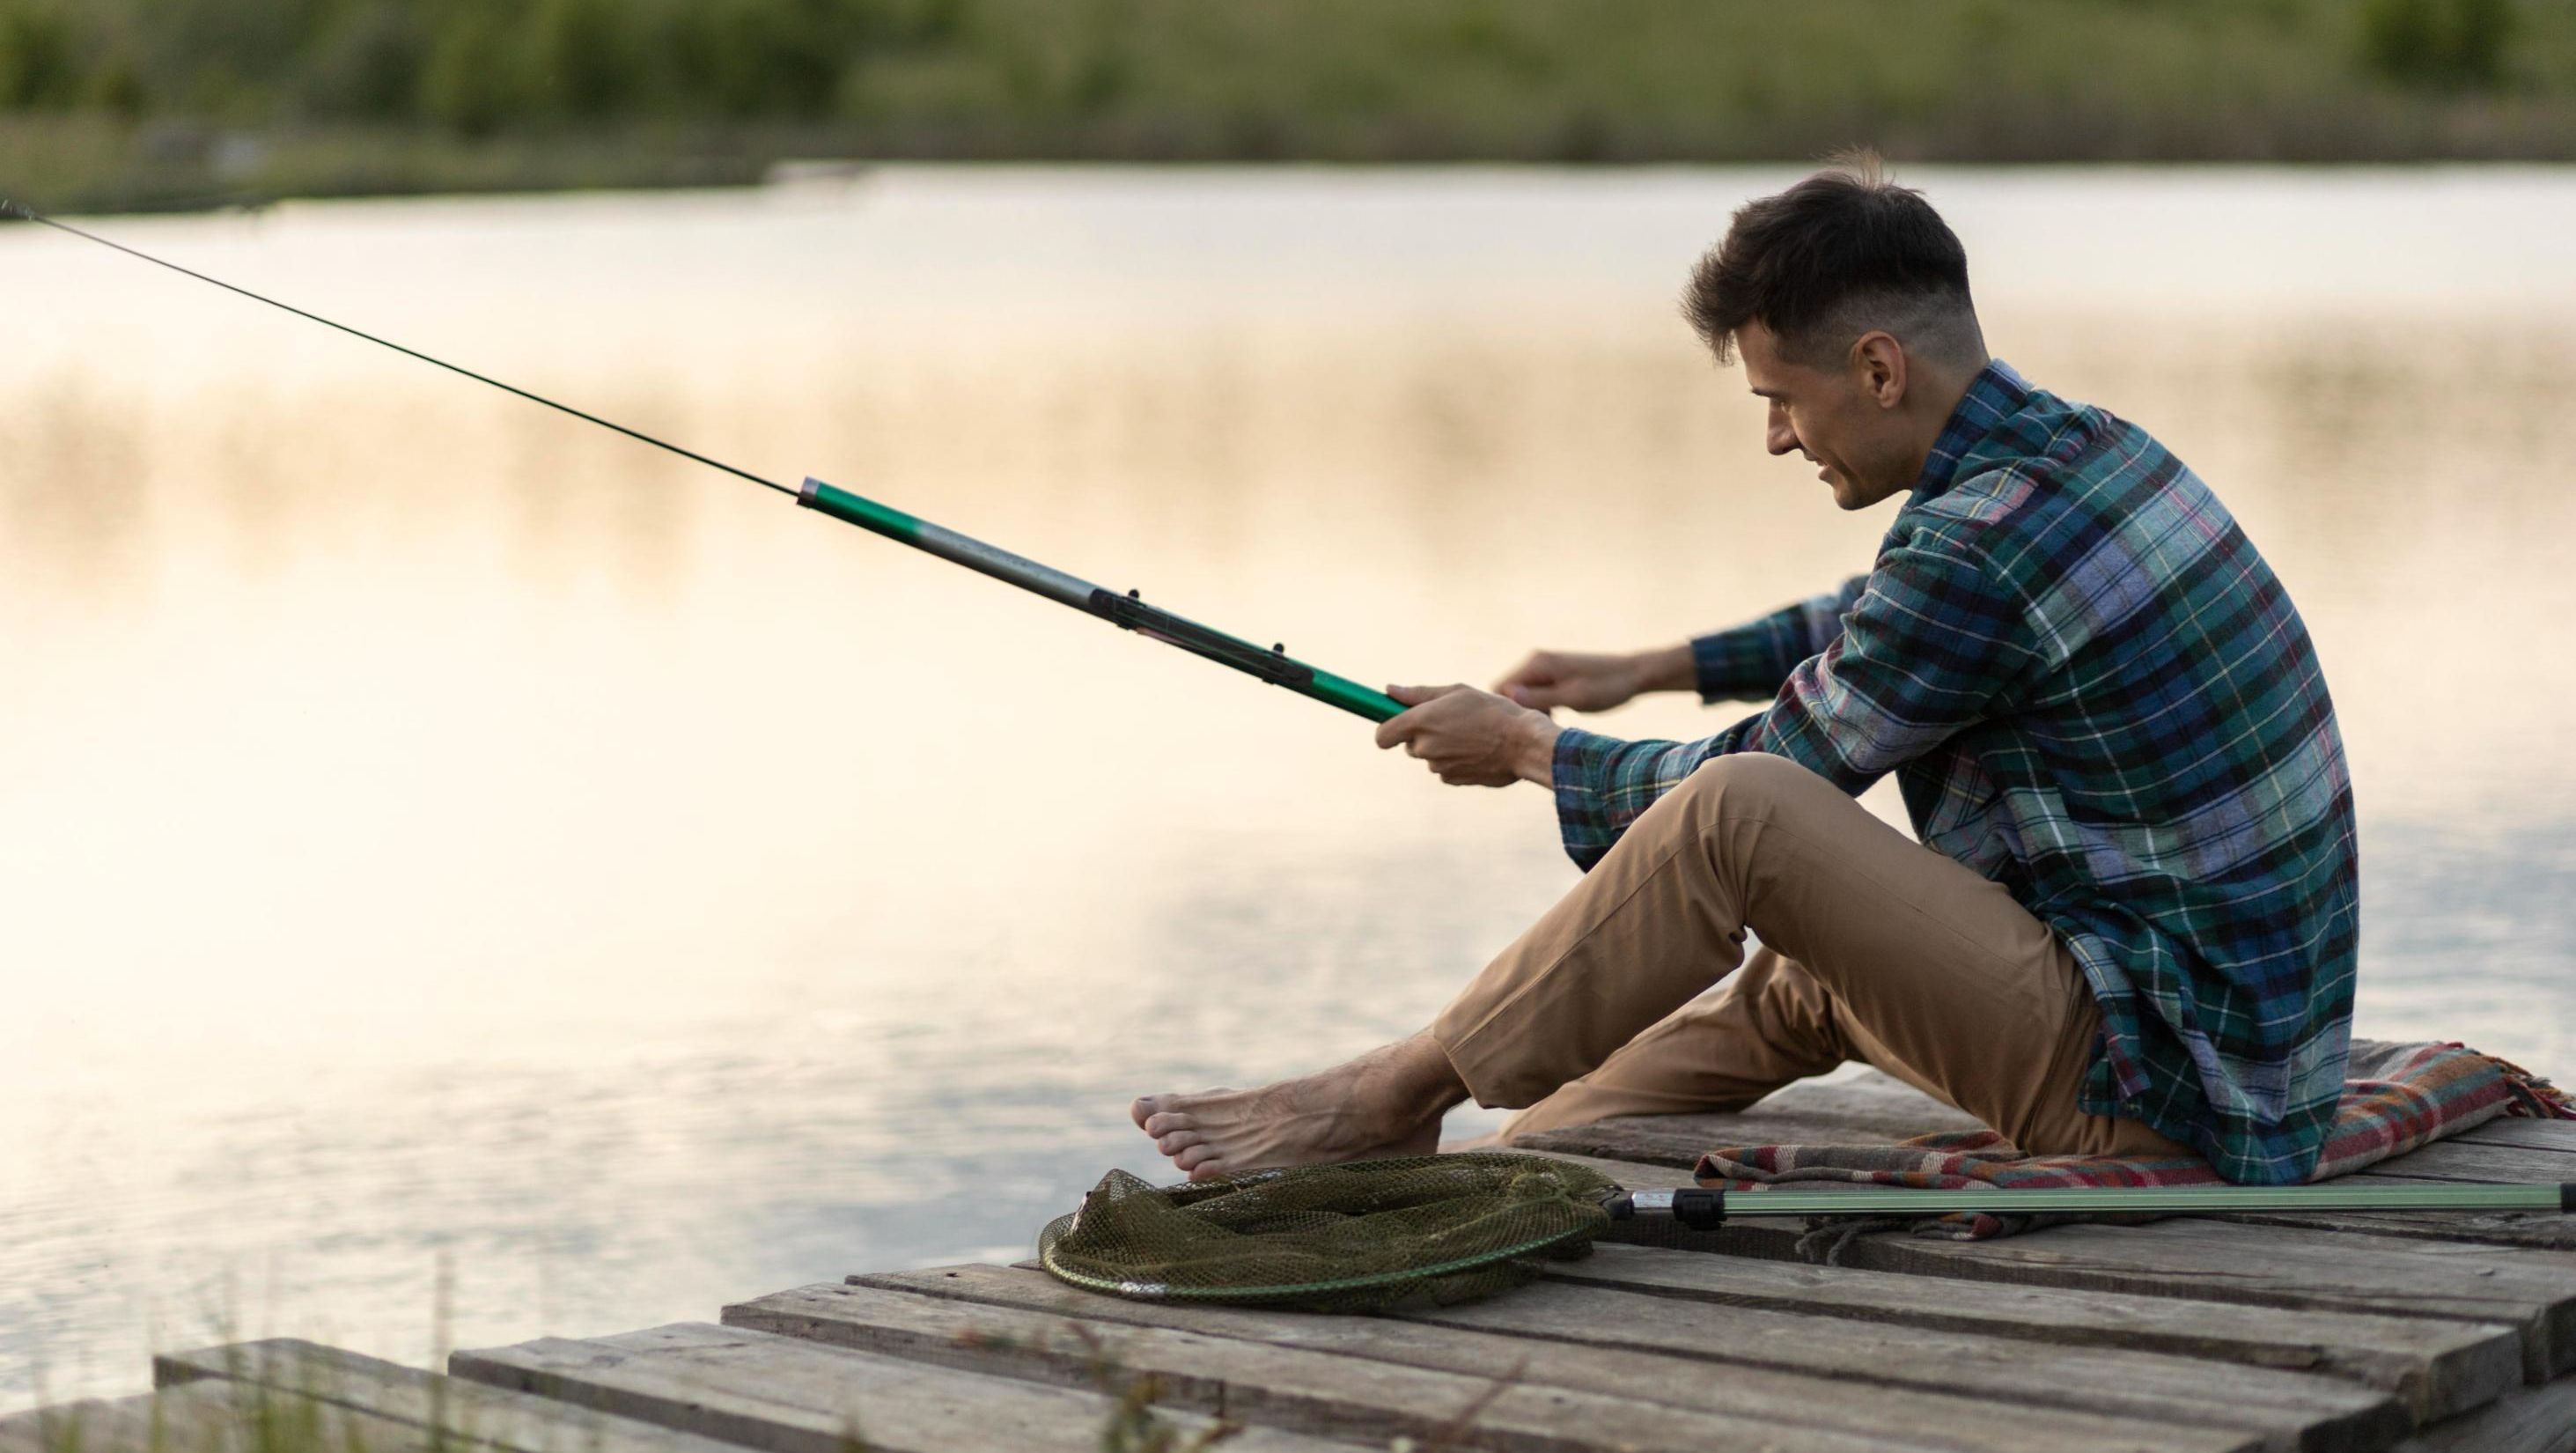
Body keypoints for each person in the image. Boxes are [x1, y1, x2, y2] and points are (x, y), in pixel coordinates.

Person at [1131, 153, 2358, 1188]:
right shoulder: (2070, 455)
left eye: (1781, 397)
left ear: (1878, 370)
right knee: (1797, 975)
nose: (1774, 434)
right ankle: (1501, 1157)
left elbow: (1758, 795)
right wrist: (1645, 668)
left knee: (1743, 815)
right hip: (2213, 1046)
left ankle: (1380, 1096)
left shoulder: (1977, 543)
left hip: (2171, 1095)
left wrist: (1522, 748)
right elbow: (1877, 616)